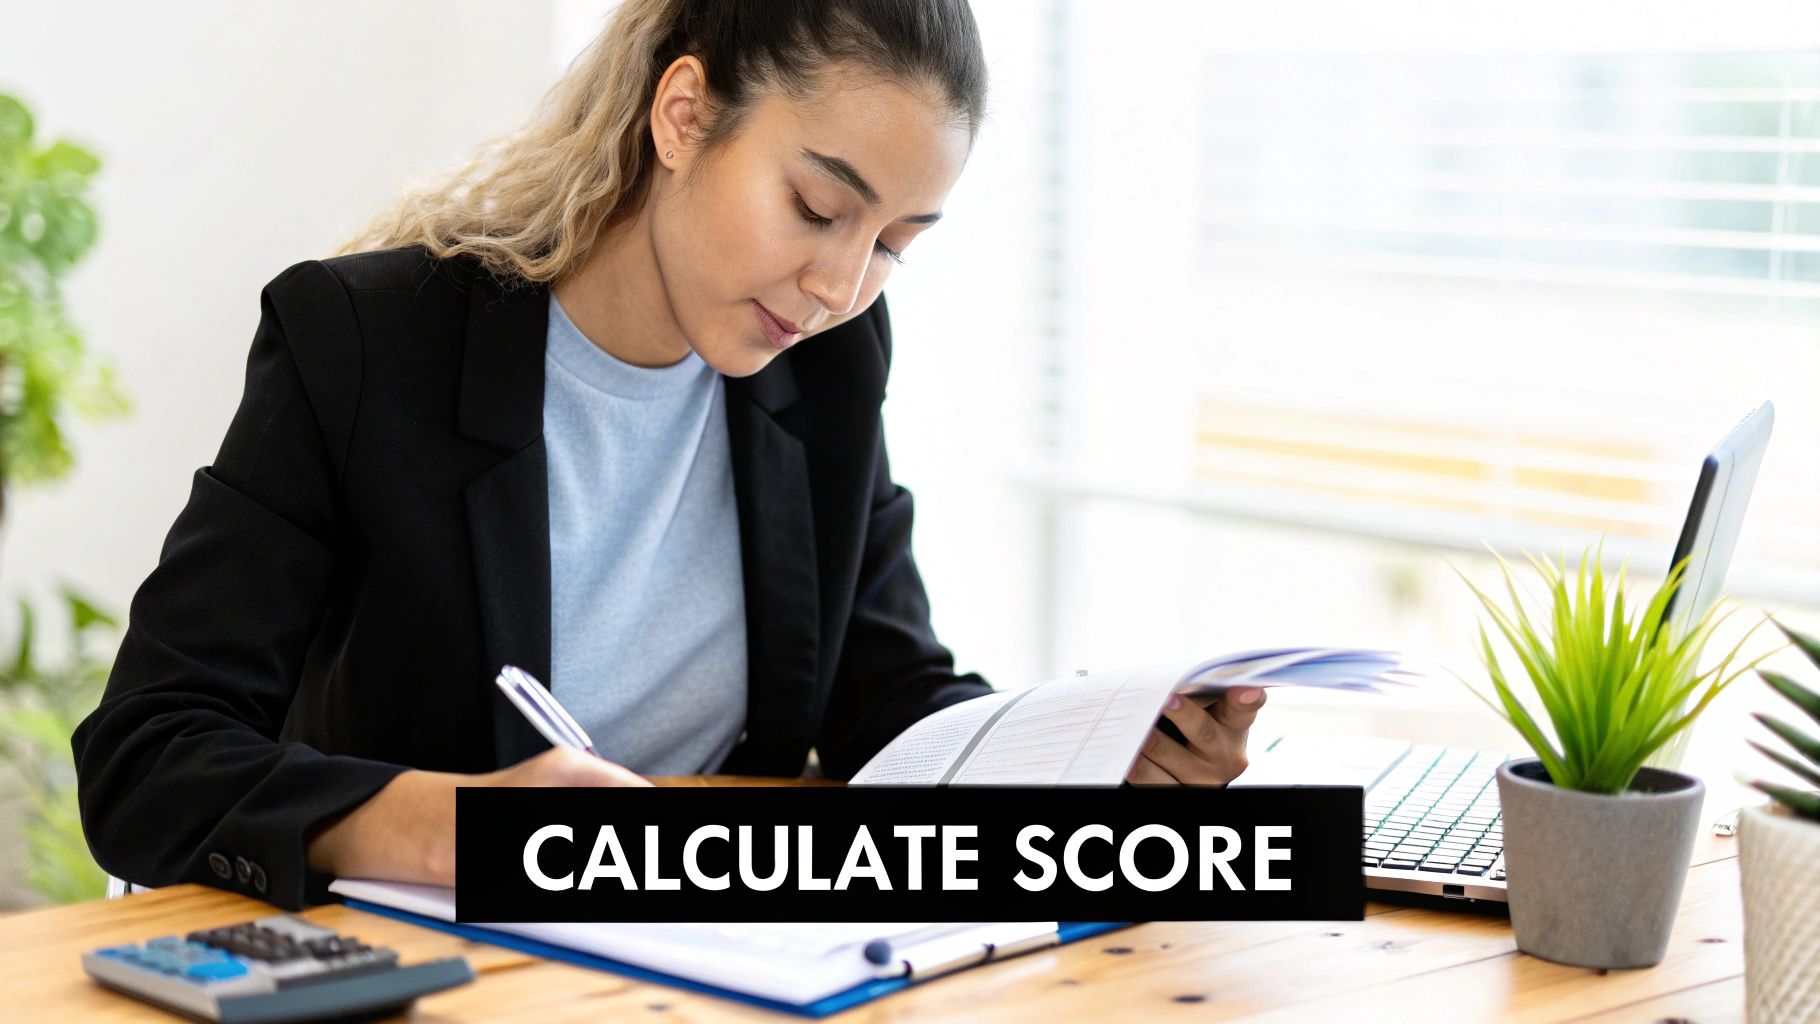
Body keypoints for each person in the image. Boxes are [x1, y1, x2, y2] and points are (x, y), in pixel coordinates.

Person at [72, 0, 1265, 912]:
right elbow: (145, 756)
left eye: (896, 242)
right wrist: (461, 829)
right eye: (815, 206)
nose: (840, 285)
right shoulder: (366, 342)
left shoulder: (829, 364)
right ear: (683, 115)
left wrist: (1095, 765)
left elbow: (888, 703)